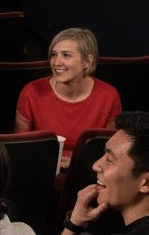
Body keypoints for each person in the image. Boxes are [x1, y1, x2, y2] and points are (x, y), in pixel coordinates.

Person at [15, 26, 121, 169]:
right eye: (54, 54)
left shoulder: (109, 96)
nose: (56, 62)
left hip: (88, 170)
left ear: (87, 62)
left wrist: (75, 163)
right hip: (42, 167)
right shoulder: (31, 91)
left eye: (66, 55)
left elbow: (109, 154)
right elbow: (21, 148)